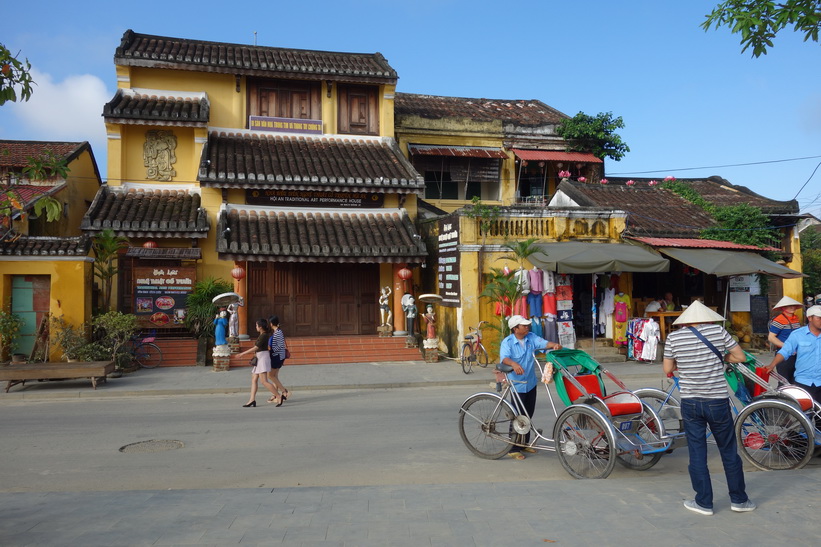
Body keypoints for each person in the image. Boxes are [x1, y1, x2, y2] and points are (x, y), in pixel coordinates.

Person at [663, 300, 755, 515]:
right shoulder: (718, 332)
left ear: (685, 320)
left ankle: (704, 502)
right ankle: (739, 500)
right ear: (707, 317)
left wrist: (684, 363)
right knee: (729, 451)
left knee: (697, 452)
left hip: (690, 402)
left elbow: (667, 368)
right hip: (717, 401)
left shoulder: (674, 337)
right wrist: (720, 358)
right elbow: (740, 357)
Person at [499, 315, 561, 460]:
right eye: (523, 326)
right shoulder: (507, 342)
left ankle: (524, 443)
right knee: (518, 416)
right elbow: (505, 358)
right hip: (517, 384)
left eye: (527, 325)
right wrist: (514, 364)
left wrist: (554, 345)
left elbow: (544, 343)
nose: (527, 327)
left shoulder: (531, 337)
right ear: (515, 328)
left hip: (530, 382)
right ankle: (513, 448)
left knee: (528, 414)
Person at [766, 305, 821, 403]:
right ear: (810, 318)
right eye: (819, 318)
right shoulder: (797, 334)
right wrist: (772, 364)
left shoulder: (795, 319)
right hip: (803, 382)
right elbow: (785, 351)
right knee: (804, 414)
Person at [238, 318, 282, 407]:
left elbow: (256, 347)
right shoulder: (262, 335)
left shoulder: (264, 335)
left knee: (264, 381)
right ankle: (252, 400)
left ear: (260, 327)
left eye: (256, 325)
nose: (256, 327)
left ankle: (278, 396)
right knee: (254, 379)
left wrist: (242, 353)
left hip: (262, 358)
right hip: (259, 357)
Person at [767, 296, 803, 383]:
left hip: (797, 354)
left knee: (795, 380)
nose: (792, 307)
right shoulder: (779, 320)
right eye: (788, 306)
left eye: (793, 305)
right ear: (783, 308)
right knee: (784, 381)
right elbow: (771, 337)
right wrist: (787, 347)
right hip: (784, 354)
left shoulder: (796, 318)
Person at [266, 315, 291, 403]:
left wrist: (271, 350)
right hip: (278, 356)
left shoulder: (278, 333)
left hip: (277, 357)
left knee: (270, 375)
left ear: (271, 323)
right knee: (274, 376)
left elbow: (280, 346)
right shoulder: (277, 332)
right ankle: (275, 395)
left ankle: (284, 391)